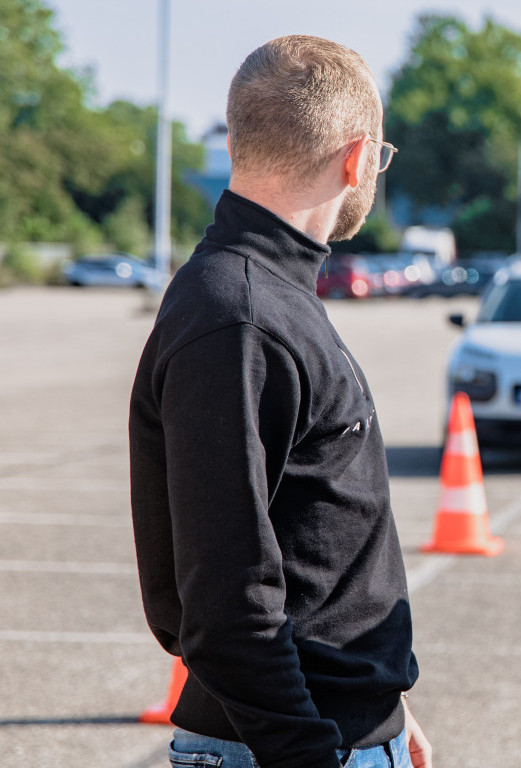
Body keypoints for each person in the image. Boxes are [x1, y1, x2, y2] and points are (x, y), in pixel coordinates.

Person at [129, 36, 430, 768]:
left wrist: (387, 708)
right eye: (380, 163)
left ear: (237, 143)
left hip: (340, 731)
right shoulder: (238, 316)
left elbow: (313, 542)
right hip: (284, 750)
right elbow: (226, 605)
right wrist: (314, 751)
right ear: (357, 159)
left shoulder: (267, 294)